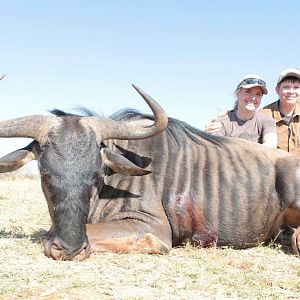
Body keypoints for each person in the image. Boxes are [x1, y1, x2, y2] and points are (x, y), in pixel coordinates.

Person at [205, 74, 277, 148]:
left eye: (258, 94)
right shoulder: (222, 121)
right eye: (248, 91)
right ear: (237, 93)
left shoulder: (266, 120)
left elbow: (271, 146)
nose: (253, 98)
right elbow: (215, 148)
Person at [261, 68, 300, 154]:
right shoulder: (263, 115)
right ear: (277, 89)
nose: (291, 91)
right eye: (286, 87)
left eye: (296, 87)